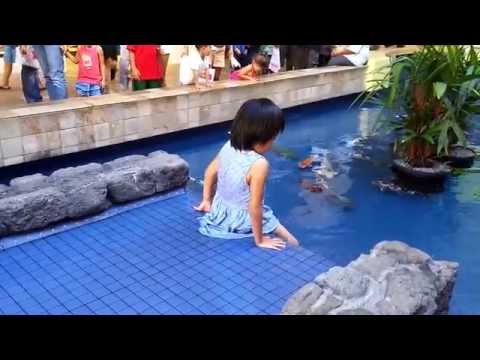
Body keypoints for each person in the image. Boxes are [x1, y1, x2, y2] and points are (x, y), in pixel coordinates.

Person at [195, 98, 300, 250]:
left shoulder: (230, 145)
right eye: (274, 137)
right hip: (241, 220)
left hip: (219, 212)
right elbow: (255, 207)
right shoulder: (259, 164)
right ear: (265, 137)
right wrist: (260, 240)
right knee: (294, 243)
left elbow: (210, 171)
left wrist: (206, 200)